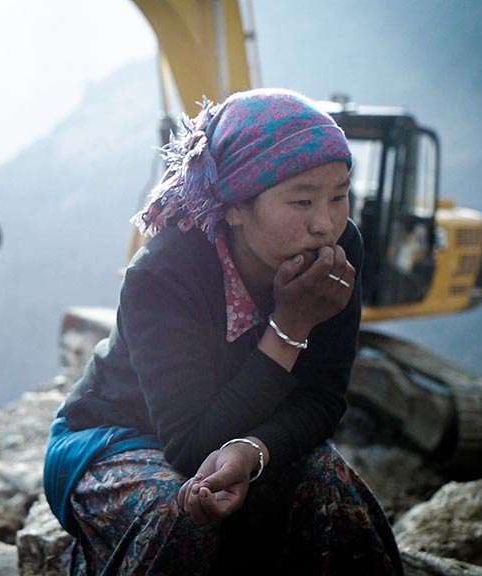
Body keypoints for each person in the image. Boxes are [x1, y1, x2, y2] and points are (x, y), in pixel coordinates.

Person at [43, 88, 404, 575]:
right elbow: (191, 446)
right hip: (117, 436)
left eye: (339, 197)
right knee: (187, 507)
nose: (325, 224)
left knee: (328, 483)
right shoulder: (164, 274)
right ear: (234, 208)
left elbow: (322, 399)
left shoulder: (339, 251)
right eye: (302, 200)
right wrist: (292, 324)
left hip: (242, 432)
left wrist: (254, 451)